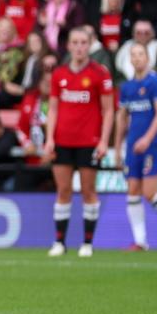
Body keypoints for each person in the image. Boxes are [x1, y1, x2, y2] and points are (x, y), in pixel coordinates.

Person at [44, 27, 114, 258]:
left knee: (88, 191)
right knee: (63, 190)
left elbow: (108, 110)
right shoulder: (59, 74)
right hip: (63, 140)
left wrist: (104, 141)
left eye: (84, 42)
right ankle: (59, 242)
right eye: (75, 42)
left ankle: (87, 243)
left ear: (90, 44)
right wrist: (50, 138)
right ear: (69, 45)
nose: (79, 47)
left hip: (88, 141)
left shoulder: (99, 74)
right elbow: (53, 108)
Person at [115, 43, 157, 251]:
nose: (137, 58)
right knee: (132, 191)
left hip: (152, 144)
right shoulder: (127, 87)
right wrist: (118, 147)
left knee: (150, 192)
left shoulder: (155, 82)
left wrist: (148, 139)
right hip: (132, 145)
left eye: (141, 54)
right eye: (134, 55)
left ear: (147, 57)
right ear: (130, 59)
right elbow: (121, 118)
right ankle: (140, 241)